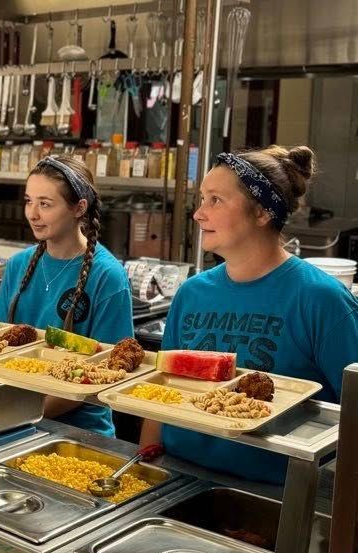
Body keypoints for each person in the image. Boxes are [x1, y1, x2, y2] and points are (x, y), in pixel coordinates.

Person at [139, 145, 358, 484]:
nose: (198, 214)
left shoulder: (321, 300)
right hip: (176, 477)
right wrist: (145, 473)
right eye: (201, 199)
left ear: (261, 213)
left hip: (275, 497)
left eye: (216, 200)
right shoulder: (191, 294)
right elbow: (160, 393)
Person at [0, 156, 134, 437]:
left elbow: (109, 371)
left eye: (45, 204)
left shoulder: (108, 276)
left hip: (80, 434)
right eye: (28, 201)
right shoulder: (18, 265)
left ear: (79, 208)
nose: (32, 213)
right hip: (11, 421)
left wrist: (20, 416)